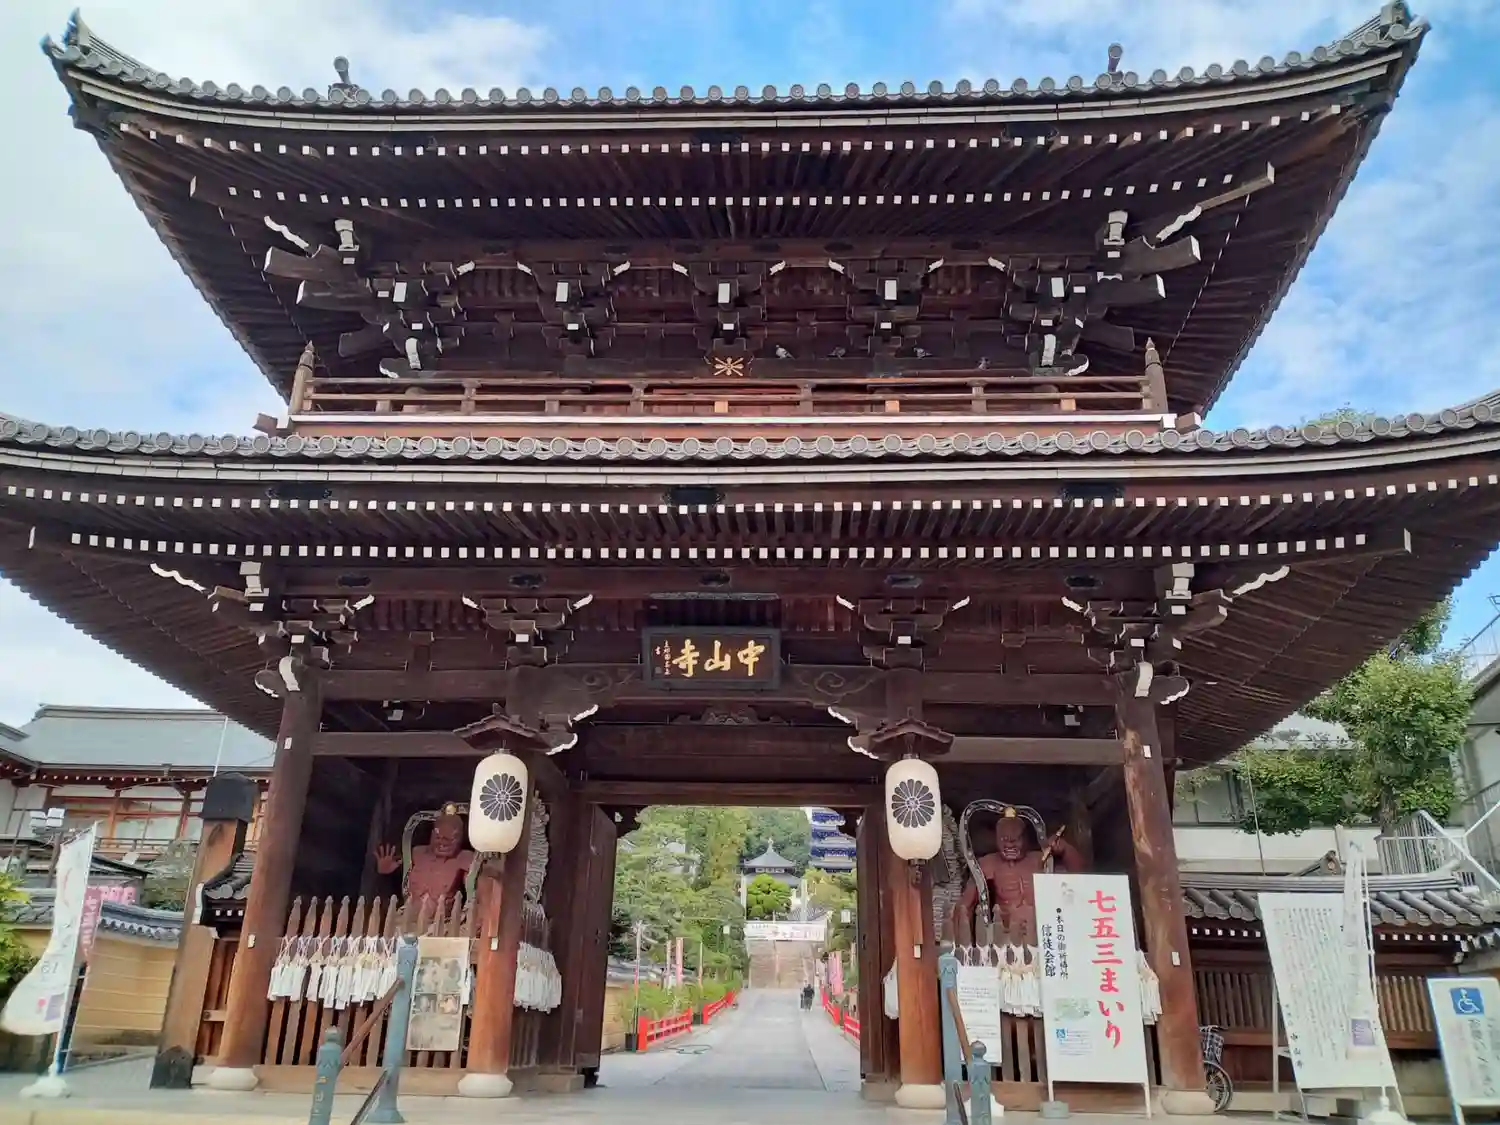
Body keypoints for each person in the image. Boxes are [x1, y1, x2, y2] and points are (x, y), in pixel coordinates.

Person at [951, 807, 1084, 946]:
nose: (1010, 845)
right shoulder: (988, 864)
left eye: (1015, 840)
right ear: (996, 839)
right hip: (1006, 936)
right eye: (1005, 840)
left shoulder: (1040, 859)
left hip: (1043, 933)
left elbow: (1080, 877)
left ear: (1025, 839)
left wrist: (1066, 850)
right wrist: (964, 943)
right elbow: (966, 905)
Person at [374, 803, 476, 905]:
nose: (443, 843)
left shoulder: (464, 858)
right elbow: (397, 880)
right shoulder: (417, 853)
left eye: (449, 839)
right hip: (408, 911)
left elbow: (474, 890)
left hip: (443, 914)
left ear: (460, 839)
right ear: (431, 835)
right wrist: (387, 873)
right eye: (438, 837)